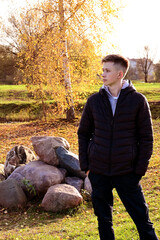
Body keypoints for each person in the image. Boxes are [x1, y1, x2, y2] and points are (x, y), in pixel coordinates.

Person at [77, 54, 159, 240]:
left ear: (120, 74)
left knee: (142, 220)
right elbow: (83, 133)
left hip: (127, 172)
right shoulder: (94, 101)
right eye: (102, 70)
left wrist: (138, 170)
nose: (103, 74)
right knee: (104, 221)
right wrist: (87, 167)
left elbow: (147, 138)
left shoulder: (138, 101)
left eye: (107, 70)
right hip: (99, 171)